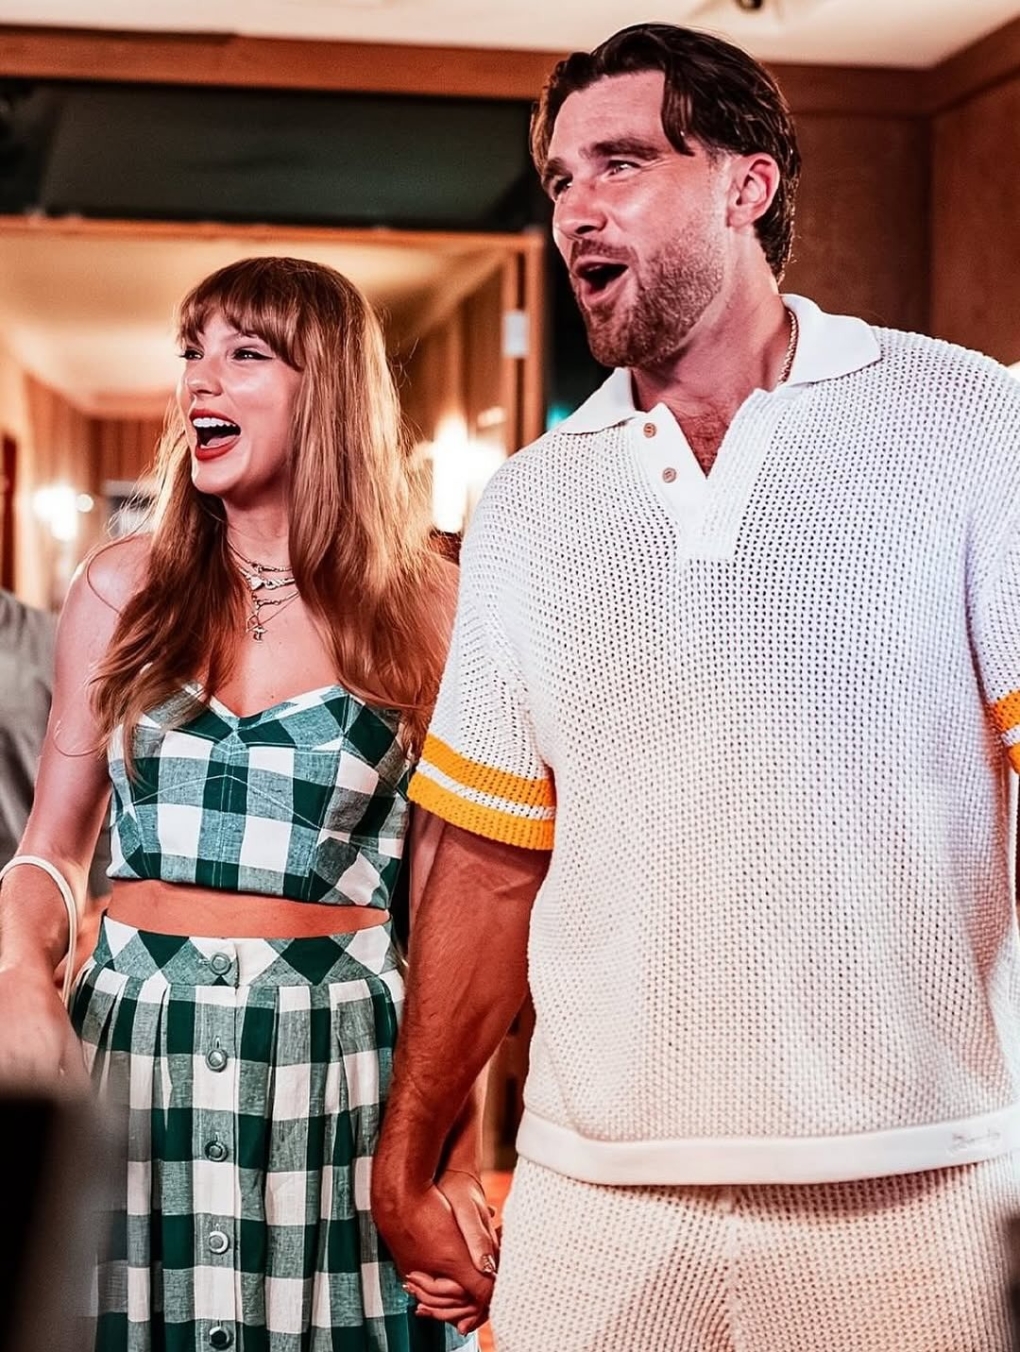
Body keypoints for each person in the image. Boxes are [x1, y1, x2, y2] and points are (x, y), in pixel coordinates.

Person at [371, 22, 1020, 1351]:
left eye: (619, 164)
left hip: (924, 1191)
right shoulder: (529, 505)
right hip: (590, 1201)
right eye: (560, 180)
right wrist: (413, 1149)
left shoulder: (969, 422)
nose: (576, 209)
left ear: (746, 184)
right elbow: (487, 860)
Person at [0, 255, 495, 1351]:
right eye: (192, 351)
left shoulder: (434, 606)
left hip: (341, 1068)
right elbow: (49, 852)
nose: (201, 380)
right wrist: (17, 974)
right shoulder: (118, 588)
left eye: (245, 353)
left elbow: (452, 920)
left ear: (329, 389)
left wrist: (452, 1162)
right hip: (134, 1054)